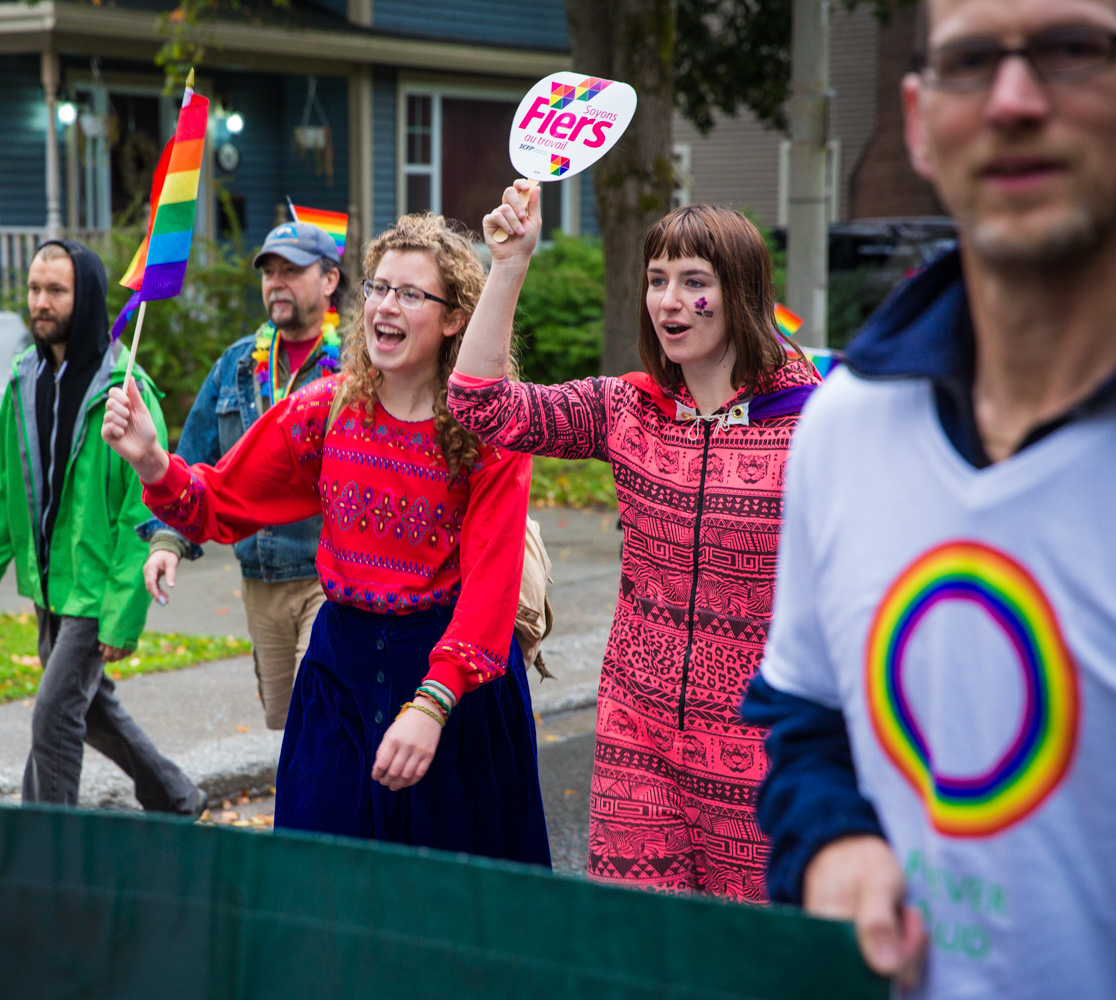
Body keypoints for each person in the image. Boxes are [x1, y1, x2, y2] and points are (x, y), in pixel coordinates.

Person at [741, 0, 1116, 994]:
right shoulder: (845, 425)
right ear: (916, 117)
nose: (1014, 99)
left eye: (1075, 50)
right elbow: (805, 718)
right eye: (971, 60)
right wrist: (831, 846)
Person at [103, 214, 551, 865]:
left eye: (410, 293)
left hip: (456, 684)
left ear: (455, 318)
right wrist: (151, 461)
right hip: (340, 674)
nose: (384, 306)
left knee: (455, 911)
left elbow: (491, 586)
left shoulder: (492, 431)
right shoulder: (324, 409)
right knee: (321, 885)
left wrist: (433, 704)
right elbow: (214, 506)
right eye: (377, 288)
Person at [447, 187, 820, 899]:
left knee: (754, 960)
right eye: (657, 280)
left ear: (740, 292)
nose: (669, 301)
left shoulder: (816, 427)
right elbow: (479, 404)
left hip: (763, 749)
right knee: (639, 950)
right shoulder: (628, 408)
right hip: (636, 739)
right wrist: (509, 264)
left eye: (693, 282)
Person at [0, 240, 205, 815]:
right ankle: (176, 796)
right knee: (90, 711)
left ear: (84, 297)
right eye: (35, 290)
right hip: (48, 582)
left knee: (54, 716)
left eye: (56, 291)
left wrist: (120, 612)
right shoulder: (24, 378)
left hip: (94, 590)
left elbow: (143, 513)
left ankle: (49, 844)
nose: (41, 302)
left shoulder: (126, 392)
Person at [138, 222, 341, 730]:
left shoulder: (356, 365)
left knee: (319, 713)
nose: (276, 282)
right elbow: (192, 456)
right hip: (261, 580)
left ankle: (322, 812)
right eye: (270, 272)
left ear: (330, 279)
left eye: (292, 271)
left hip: (331, 577)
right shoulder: (237, 366)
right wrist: (168, 541)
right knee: (284, 719)